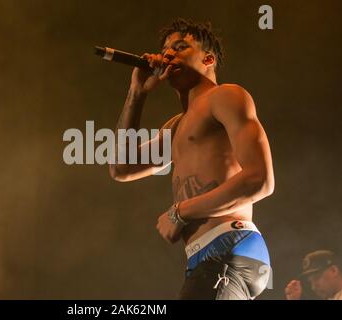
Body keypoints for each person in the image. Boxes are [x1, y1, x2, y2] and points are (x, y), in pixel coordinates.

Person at [109, 18, 275, 300]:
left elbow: (261, 180)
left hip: (228, 244)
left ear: (208, 58)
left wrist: (180, 212)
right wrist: (137, 94)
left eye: (180, 47)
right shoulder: (175, 127)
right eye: (165, 49)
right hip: (206, 257)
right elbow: (121, 168)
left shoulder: (226, 96)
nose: (167, 54)